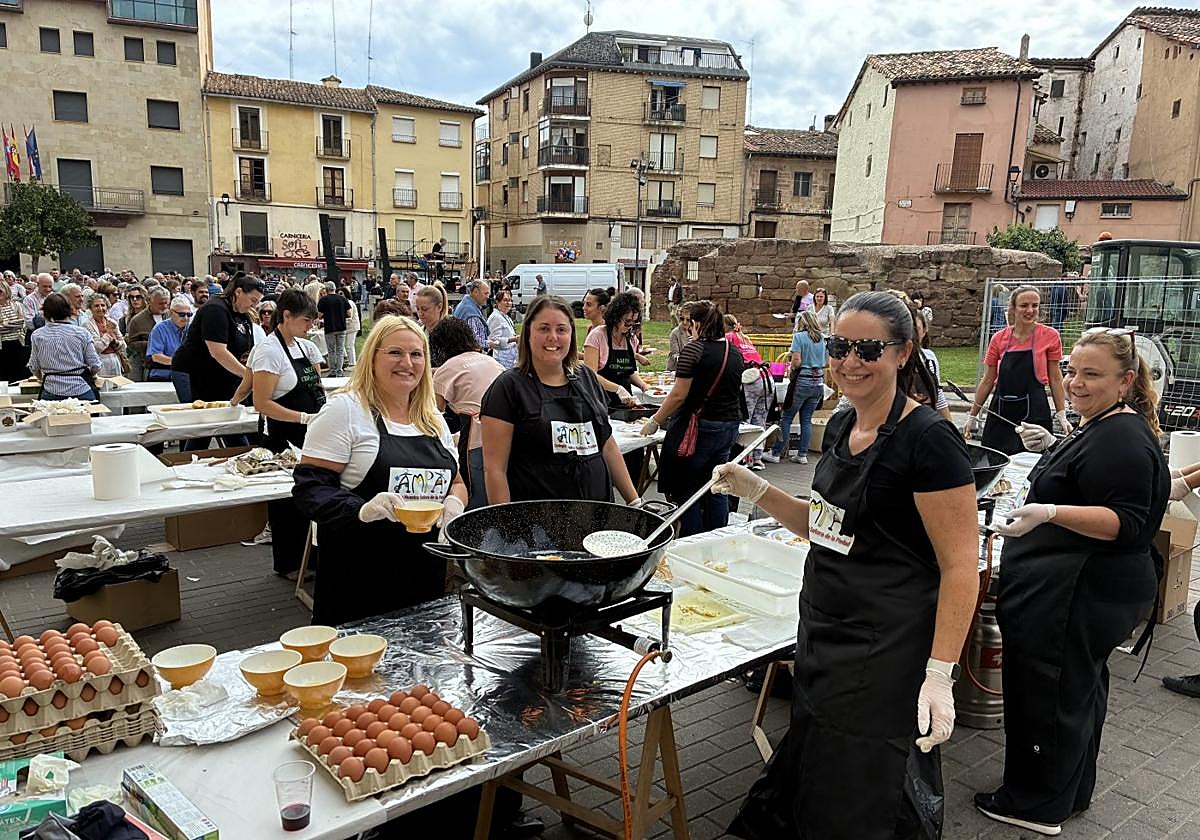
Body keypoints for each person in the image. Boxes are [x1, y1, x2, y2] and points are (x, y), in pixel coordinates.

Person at [723, 290, 979, 840]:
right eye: (840, 346)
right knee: (817, 775)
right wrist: (760, 489)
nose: (850, 361)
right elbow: (824, 525)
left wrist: (940, 674)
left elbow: (961, 567)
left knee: (862, 793)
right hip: (824, 633)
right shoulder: (841, 425)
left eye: (869, 349)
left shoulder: (930, 441)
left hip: (886, 648)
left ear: (903, 353)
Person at [978, 328, 1169, 836]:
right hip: (1073, 589)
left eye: (1091, 374)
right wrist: (1056, 444)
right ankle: (1069, 789)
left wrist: (1049, 511)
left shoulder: (1122, 437)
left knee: (1049, 695)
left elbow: (1126, 521)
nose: (1076, 383)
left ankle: (1035, 803)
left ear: (1126, 380)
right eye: (1071, 371)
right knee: (1075, 692)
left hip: (1078, 592)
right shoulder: (1103, 424)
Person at [292, 315, 467, 625]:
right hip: (358, 579)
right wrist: (362, 510)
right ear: (372, 356)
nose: (407, 362)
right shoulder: (345, 411)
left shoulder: (433, 419)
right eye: (395, 352)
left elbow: (455, 481)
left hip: (424, 577)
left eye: (417, 354)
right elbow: (310, 490)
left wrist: (455, 503)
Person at [480, 295, 640, 505]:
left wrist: (635, 502)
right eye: (544, 329)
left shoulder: (587, 378)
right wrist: (508, 526)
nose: (553, 337)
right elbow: (494, 469)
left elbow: (608, 446)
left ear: (571, 335)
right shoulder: (508, 388)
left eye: (561, 330)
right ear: (528, 333)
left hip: (596, 517)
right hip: (537, 524)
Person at [640, 300, 745, 536]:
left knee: (687, 488)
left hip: (700, 429)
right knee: (715, 486)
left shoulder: (694, 350)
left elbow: (678, 395)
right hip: (728, 426)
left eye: (691, 323)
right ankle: (717, 539)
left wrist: (655, 420)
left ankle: (692, 539)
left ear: (697, 324)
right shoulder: (734, 352)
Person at [965, 285, 1070, 454]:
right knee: (994, 458)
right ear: (1013, 308)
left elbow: (1055, 378)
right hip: (1001, 411)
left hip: (1035, 411)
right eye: (1024, 305)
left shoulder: (1050, 336)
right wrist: (973, 414)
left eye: (1035, 305)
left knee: (1033, 462)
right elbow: (988, 380)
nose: (1030, 310)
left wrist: (1061, 413)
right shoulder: (999, 339)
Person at [171, 275, 262, 448]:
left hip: (219, 373)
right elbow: (218, 352)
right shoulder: (215, 309)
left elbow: (245, 350)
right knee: (204, 423)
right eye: (252, 300)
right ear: (238, 292)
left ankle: (237, 453)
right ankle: (191, 460)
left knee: (222, 420)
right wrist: (248, 376)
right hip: (193, 370)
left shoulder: (243, 316)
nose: (254, 305)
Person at [432, 318, 505, 510]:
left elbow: (435, 418)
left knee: (475, 498)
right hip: (509, 435)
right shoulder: (491, 361)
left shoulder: (444, 372)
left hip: (477, 440)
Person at [765, 309, 826, 465]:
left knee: (786, 417)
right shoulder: (823, 339)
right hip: (818, 380)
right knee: (807, 419)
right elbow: (826, 361)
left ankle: (777, 452)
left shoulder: (799, 337)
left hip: (802, 379)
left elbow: (797, 361)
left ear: (802, 323)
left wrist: (792, 367)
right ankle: (802, 454)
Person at [28, 293, 102, 400]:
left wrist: (41, 378)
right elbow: (95, 365)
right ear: (68, 309)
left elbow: (34, 366)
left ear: (45, 312)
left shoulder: (37, 335)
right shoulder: (82, 333)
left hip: (51, 390)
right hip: (80, 388)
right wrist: (87, 374)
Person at [583, 292, 647, 408]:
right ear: (615, 316)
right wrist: (618, 389)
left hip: (625, 404)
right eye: (627, 321)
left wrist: (643, 385)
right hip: (600, 403)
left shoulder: (631, 339)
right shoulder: (597, 336)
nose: (630, 326)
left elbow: (628, 371)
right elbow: (590, 375)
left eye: (634, 322)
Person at [725, 315, 771, 470]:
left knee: (746, 421)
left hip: (750, 380)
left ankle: (745, 459)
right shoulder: (745, 338)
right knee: (760, 420)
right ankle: (757, 458)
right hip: (766, 378)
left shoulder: (728, 337)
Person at [125, 288, 170, 381]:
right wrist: (153, 343)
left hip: (172, 365)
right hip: (150, 368)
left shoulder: (172, 315)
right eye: (160, 304)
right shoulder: (137, 320)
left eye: (167, 303)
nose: (164, 306)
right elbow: (131, 345)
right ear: (149, 301)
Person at [146, 298, 192, 383]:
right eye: (181, 314)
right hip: (162, 375)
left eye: (189, 314)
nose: (186, 318)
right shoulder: (159, 329)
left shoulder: (192, 328)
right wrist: (180, 363)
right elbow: (156, 356)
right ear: (171, 313)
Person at [83, 295, 127, 378]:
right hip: (100, 361)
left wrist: (117, 343)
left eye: (103, 305)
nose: (100, 308)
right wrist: (109, 333)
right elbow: (97, 347)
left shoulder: (112, 322)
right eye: (96, 306)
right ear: (90, 308)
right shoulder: (87, 325)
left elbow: (124, 346)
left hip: (115, 359)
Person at [317, 281, 351, 377]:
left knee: (331, 350)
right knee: (340, 350)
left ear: (326, 289)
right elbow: (349, 313)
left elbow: (319, 315)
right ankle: (339, 371)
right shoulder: (342, 299)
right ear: (335, 288)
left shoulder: (323, 300)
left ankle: (332, 371)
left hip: (329, 328)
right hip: (341, 327)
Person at [0, 283, 29, 381]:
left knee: (19, 373)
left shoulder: (17, 306)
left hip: (18, 342)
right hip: (2, 345)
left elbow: (22, 323)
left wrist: (5, 324)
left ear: (6, 290)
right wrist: (12, 325)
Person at [452, 279, 491, 350]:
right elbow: (473, 342)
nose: (488, 297)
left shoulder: (466, 305)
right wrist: (490, 344)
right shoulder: (469, 312)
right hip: (468, 356)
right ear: (476, 292)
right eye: (486, 293)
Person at [486, 288, 519, 369]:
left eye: (510, 300)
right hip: (501, 359)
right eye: (505, 300)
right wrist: (513, 339)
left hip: (509, 358)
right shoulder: (496, 318)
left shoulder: (505, 316)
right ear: (497, 302)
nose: (508, 303)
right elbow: (493, 341)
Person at [666, 302, 693, 372]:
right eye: (682, 318)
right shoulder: (675, 333)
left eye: (688, 320)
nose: (684, 322)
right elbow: (675, 354)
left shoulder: (699, 332)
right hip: (676, 370)